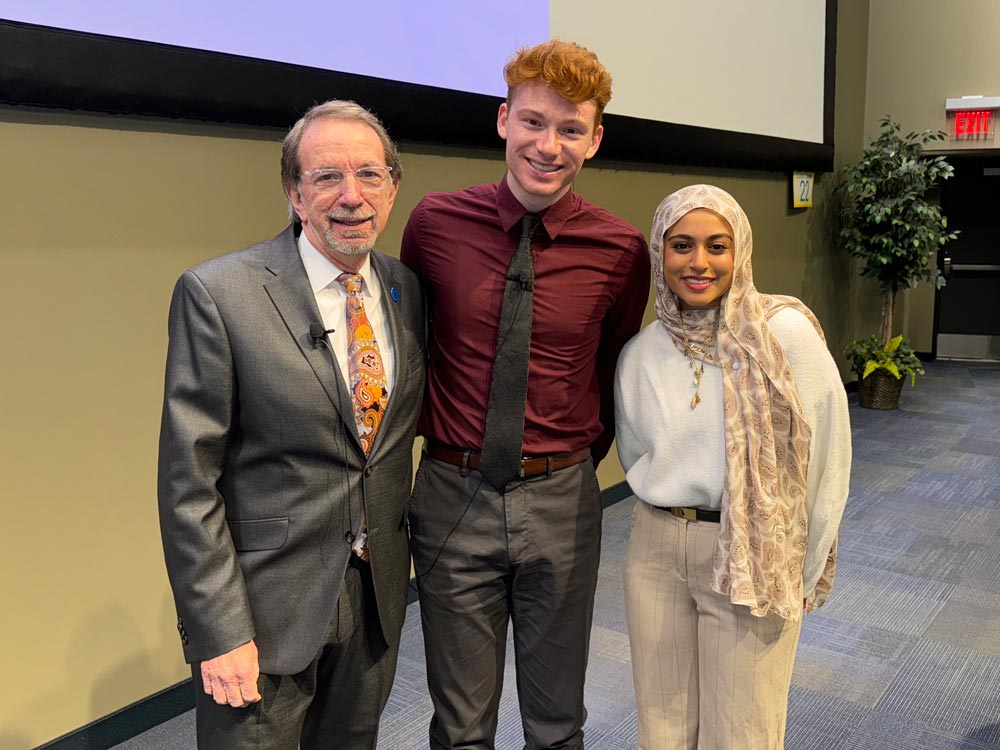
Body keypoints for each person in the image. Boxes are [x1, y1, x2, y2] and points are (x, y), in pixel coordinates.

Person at [400, 39, 650, 750]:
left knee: (556, 722)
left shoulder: (622, 250)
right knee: (460, 725)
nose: (549, 145)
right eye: (535, 123)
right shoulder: (435, 223)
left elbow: (610, 374)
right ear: (504, 120)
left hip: (562, 501)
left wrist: (564, 463)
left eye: (571, 129)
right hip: (453, 494)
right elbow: (415, 346)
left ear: (594, 140)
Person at [157, 99, 425, 750]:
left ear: (392, 189)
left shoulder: (404, 289)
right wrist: (219, 632)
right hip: (265, 613)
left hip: (374, 602)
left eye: (369, 174)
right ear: (294, 193)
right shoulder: (220, 294)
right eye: (327, 176)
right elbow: (188, 483)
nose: (351, 195)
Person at [615, 184, 851, 749]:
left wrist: (799, 566)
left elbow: (830, 459)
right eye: (681, 246)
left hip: (753, 551)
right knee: (662, 726)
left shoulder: (784, 335)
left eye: (716, 246)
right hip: (656, 547)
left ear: (740, 251)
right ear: (659, 254)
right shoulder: (642, 350)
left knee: (742, 731)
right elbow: (634, 451)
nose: (698, 263)